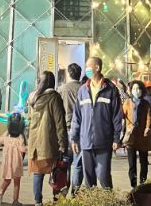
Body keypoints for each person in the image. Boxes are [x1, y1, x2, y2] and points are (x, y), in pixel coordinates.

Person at [70, 56, 123, 189]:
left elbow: (117, 116)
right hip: (86, 142)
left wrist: (116, 138)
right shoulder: (83, 90)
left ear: (97, 68)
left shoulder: (110, 90)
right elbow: (77, 116)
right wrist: (74, 138)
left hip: (104, 142)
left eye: (88, 67)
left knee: (103, 176)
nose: (86, 70)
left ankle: (108, 202)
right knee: (89, 180)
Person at [27, 71, 67, 206]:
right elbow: (59, 122)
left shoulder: (32, 98)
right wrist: (63, 143)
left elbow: (29, 119)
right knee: (56, 172)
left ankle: (38, 201)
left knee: (38, 174)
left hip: (35, 144)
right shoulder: (54, 97)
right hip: (49, 143)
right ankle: (57, 201)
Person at [58, 63, 82, 194]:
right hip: (81, 130)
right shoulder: (84, 89)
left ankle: (64, 189)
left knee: (65, 162)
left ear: (69, 73)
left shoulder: (62, 89)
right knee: (78, 163)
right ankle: (75, 193)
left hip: (66, 128)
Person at [122, 80, 151, 187]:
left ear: (142, 90)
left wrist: (147, 128)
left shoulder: (146, 103)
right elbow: (122, 116)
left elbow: (149, 116)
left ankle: (142, 182)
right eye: (134, 89)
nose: (136, 91)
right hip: (131, 137)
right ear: (131, 90)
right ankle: (133, 185)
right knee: (132, 163)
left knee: (144, 162)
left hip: (142, 136)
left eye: (138, 89)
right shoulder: (127, 103)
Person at [0, 113, 28, 206]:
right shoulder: (20, 137)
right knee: (17, 182)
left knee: (7, 180)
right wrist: (29, 148)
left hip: (6, 162)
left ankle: (0, 192)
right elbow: (22, 149)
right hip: (16, 163)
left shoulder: (7, 134)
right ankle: (15, 201)